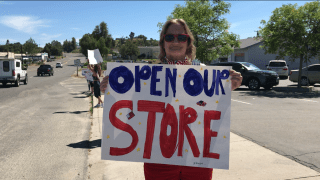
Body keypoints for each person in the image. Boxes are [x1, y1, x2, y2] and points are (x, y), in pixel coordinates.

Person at [100, 19, 242, 180]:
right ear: (163, 43)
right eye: (170, 38)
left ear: (188, 42)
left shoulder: (205, 73)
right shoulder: (145, 76)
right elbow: (131, 112)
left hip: (197, 161)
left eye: (181, 37)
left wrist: (228, 88)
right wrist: (112, 91)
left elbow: (214, 112)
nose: (176, 42)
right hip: (158, 161)